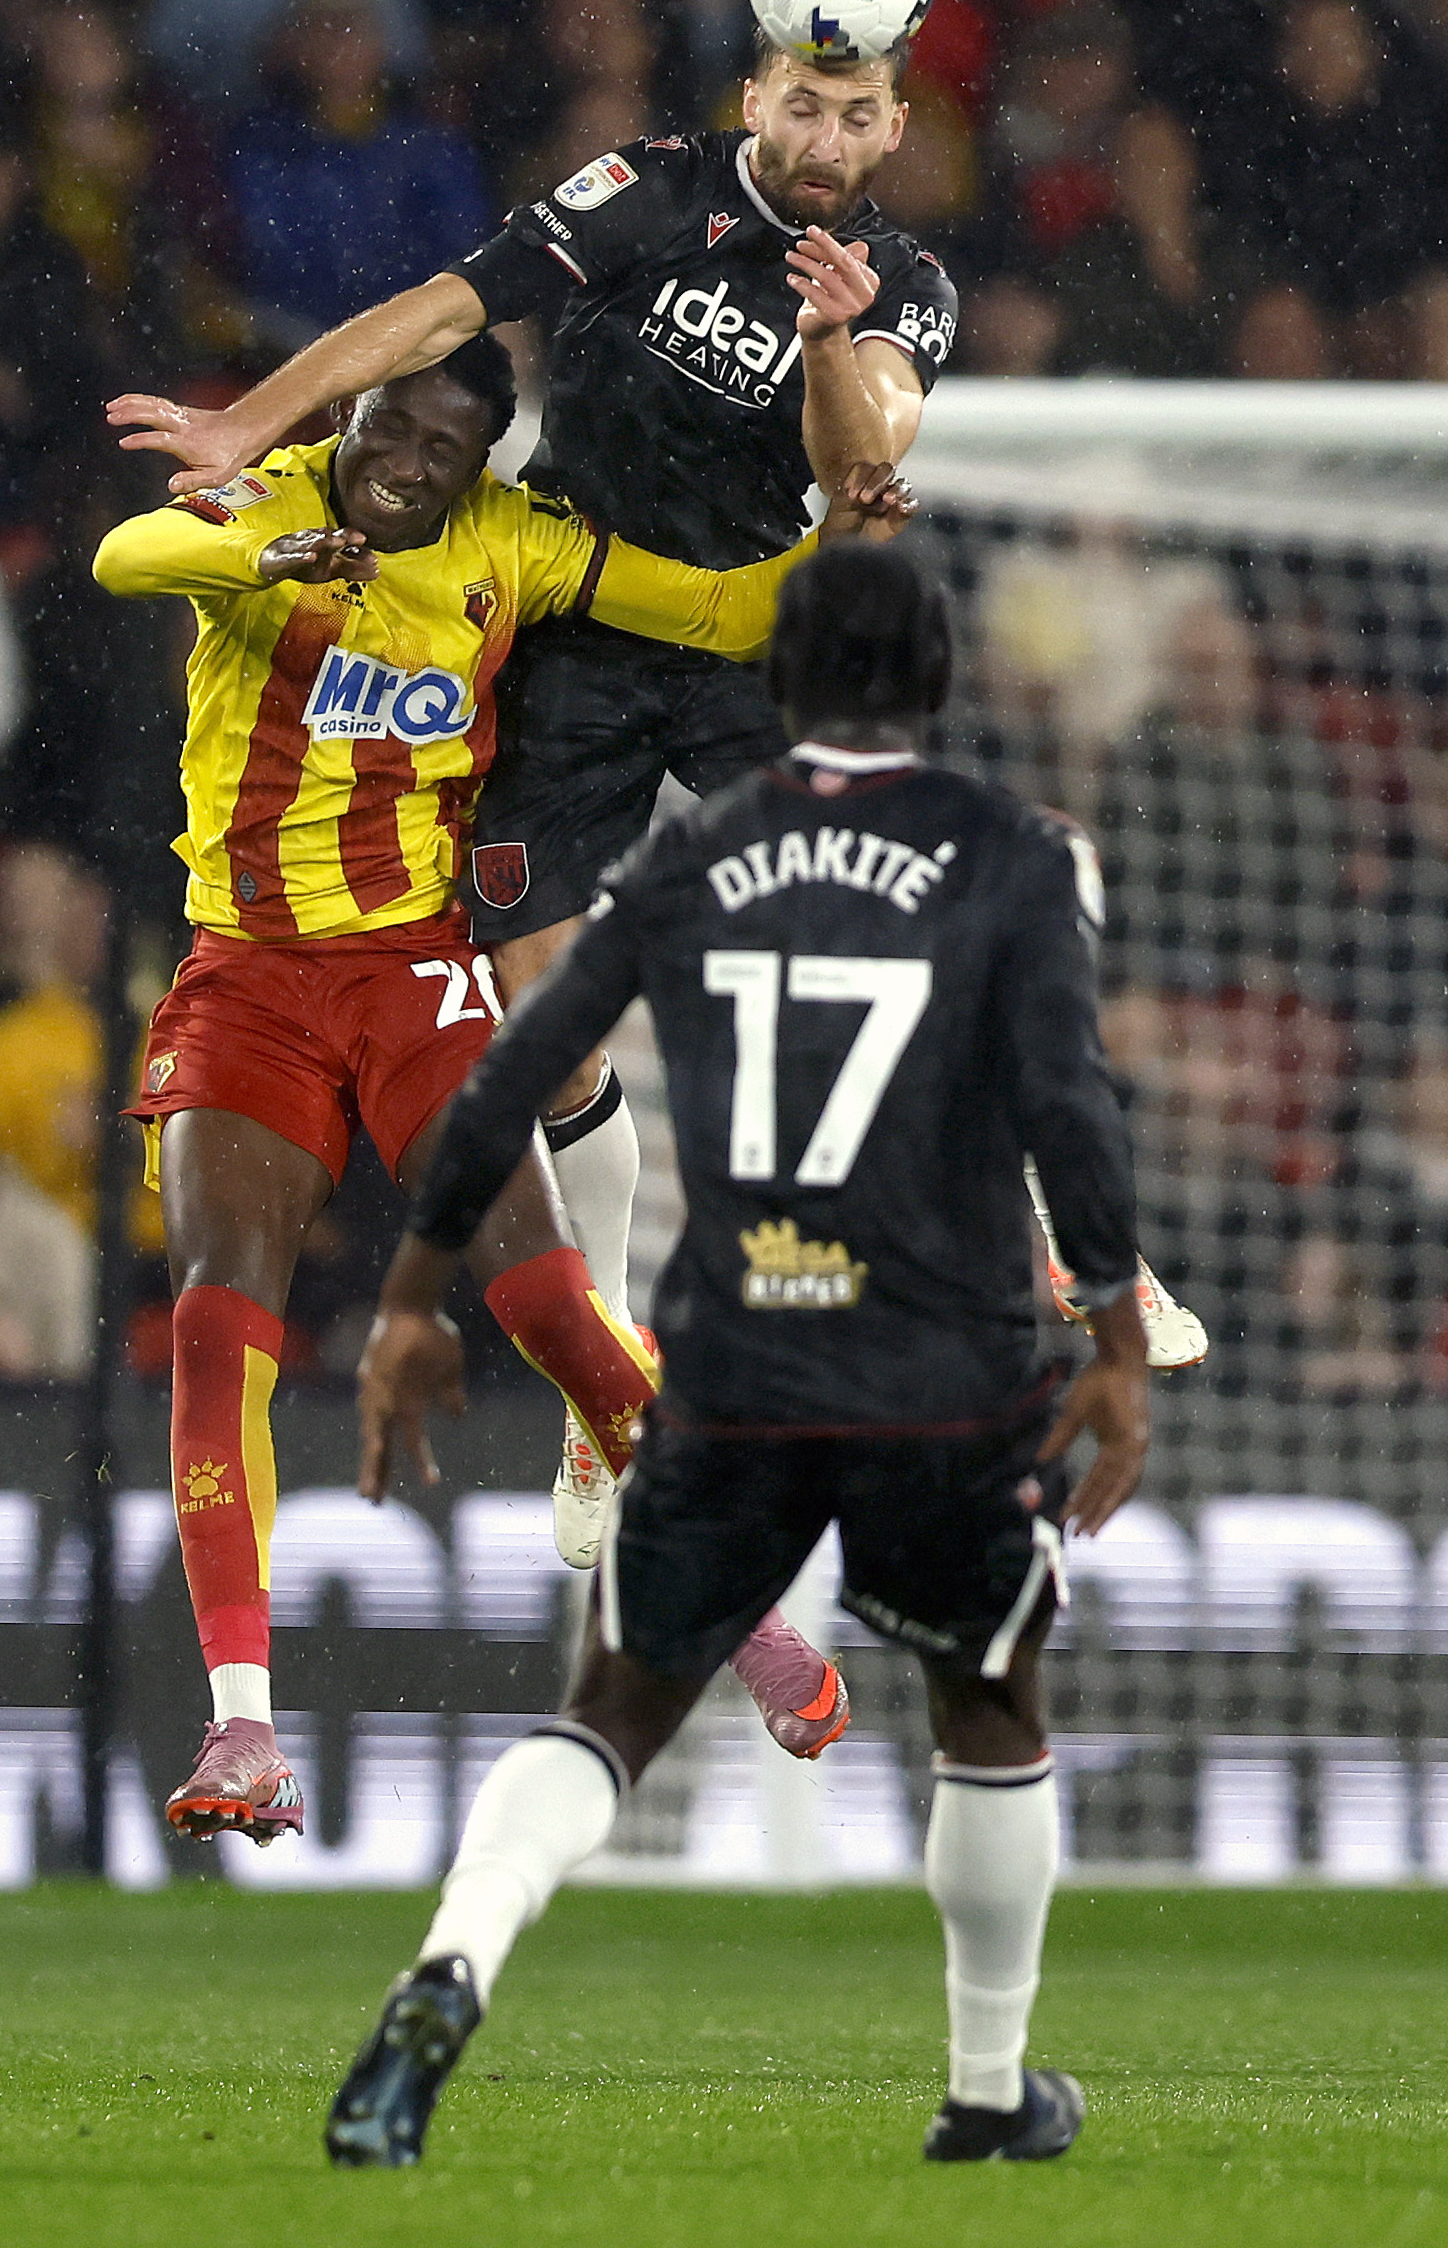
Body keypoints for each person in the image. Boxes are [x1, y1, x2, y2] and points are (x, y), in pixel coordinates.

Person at [111, 24, 1204, 1568]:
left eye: (858, 114)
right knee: (537, 999)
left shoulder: (906, 283)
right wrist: (252, 421)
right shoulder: (647, 192)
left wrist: (829, 338)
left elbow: (864, 467)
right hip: (567, 622)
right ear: (754, 98)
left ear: (893, 131)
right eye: (803, 104)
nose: (827, 137)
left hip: (742, 627)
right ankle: (599, 1377)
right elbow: (441, 307)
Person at [326, 539, 1150, 2169]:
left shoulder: (696, 851)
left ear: (774, 687)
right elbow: (1068, 1102)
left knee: (610, 1711)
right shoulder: (1013, 857)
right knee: (986, 1703)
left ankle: (448, 1970)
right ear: (935, 684)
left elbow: (512, 1078)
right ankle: (986, 2090)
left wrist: (413, 1297)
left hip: (738, 1363)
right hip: (946, 1372)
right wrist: (1115, 1336)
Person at [91, 336, 870, 1844]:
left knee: (550, 1309)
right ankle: (242, 1728)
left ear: (477, 467)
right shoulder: (271, 500)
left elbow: (722, 607)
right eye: (386, 431)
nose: (402, 466)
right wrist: (257, 558)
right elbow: (129, 555)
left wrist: (845, 523)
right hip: (244, 977)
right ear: (352, 417)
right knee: (213, 1321)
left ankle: (749, 1610)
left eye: (439, 451)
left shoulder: (515, 547)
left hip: (413, 975)